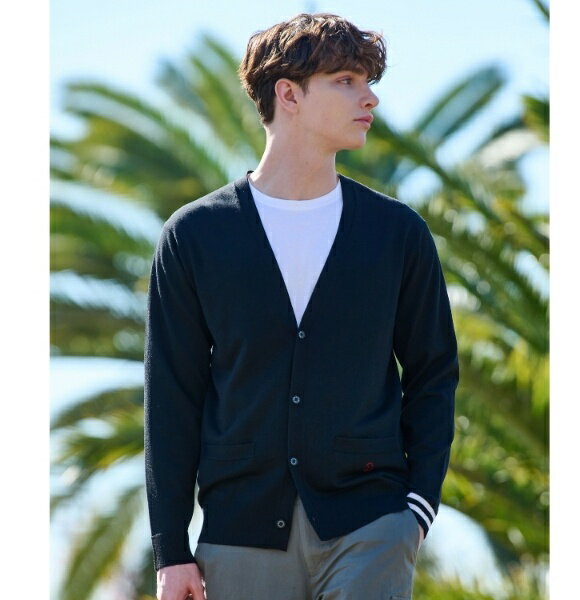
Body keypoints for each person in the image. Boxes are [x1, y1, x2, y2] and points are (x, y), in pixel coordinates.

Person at [144, 12, 459, 600]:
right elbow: (171, 396)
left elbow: (433, 372)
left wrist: (416, 510)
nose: (369, 97)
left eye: (367, 81)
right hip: (240, 533)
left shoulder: (396, 234)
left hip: (372, 525)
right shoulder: (195, 237)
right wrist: (171, 550)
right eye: (346, 80)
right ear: (288, 94)